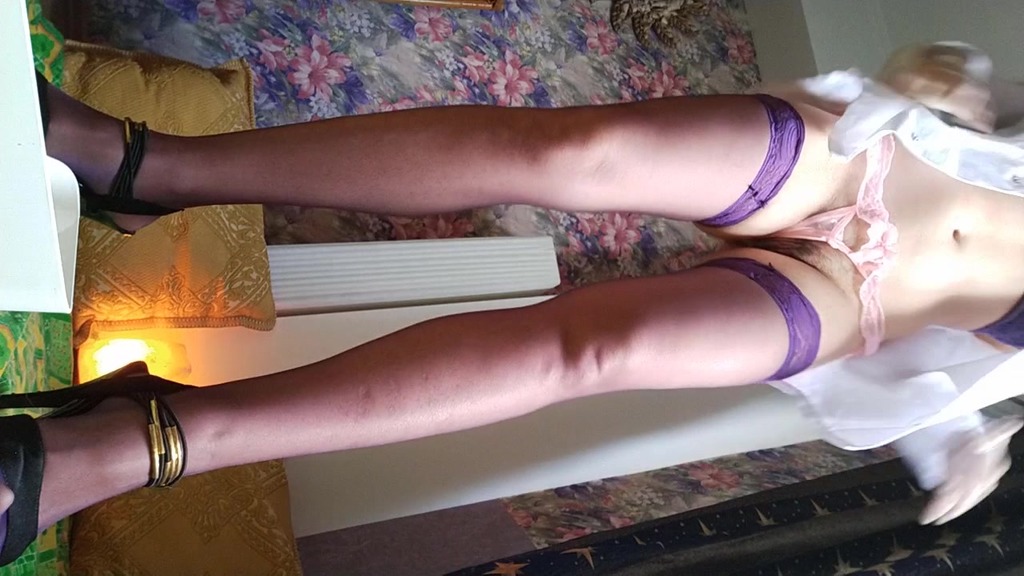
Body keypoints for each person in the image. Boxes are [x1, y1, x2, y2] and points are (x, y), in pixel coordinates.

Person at [2, 41, 1022, 566]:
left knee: (583, 357)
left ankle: (135, 442)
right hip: (880, 160)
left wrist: (959, 434)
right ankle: (141, 167)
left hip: (866, 309)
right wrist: (948, 74)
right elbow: (995, 103)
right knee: (570, 153)